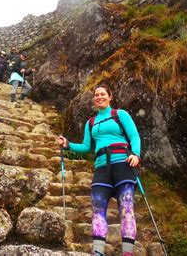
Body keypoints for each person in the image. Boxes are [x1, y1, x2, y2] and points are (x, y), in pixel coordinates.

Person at [56, 84, 141, 256]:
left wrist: (137, 154)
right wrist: (68, 144)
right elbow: (87, 146)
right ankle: (98, 252)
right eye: (96, 95)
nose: (99, 97)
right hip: (101, 167)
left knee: (126, 207)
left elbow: (134, 136)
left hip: (123, 164)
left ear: (110, 97)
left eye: (103, 94)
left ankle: (127, 253)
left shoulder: (120, 115)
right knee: (97, 208)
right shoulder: (91, 123)